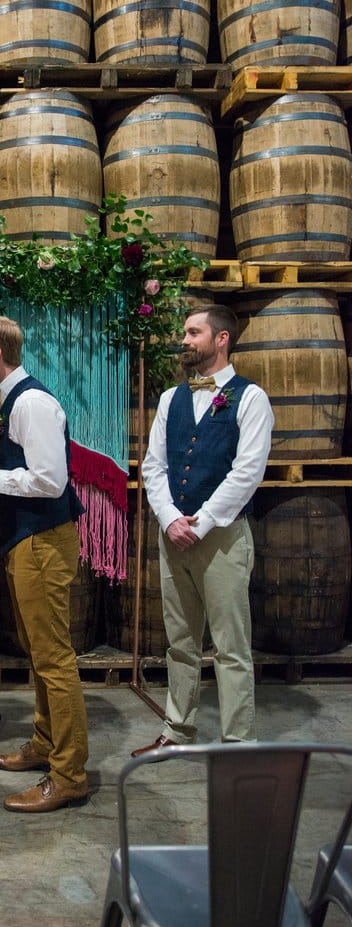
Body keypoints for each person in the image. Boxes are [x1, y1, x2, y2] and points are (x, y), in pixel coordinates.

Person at [0, 316, 89, 813]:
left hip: (42, 541)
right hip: (26, 540)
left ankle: (69, 774)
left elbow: (50, 482)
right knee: (39, 653)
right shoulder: (9, 403)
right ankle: (45, 745)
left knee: (54, 659)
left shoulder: (31, 403)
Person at [133, 305, 274, 755]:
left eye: (194, 332)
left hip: (223, 539)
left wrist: (205, 520)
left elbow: (248, 471)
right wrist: (170, 518)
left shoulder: (251, 398)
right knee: (179, 643)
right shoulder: (173, 398)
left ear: (221, 339)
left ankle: (237, 741)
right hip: (173, 534)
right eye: (185, 332)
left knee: (231, 647)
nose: (185, 339)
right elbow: (154, 466)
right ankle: (178, 729)